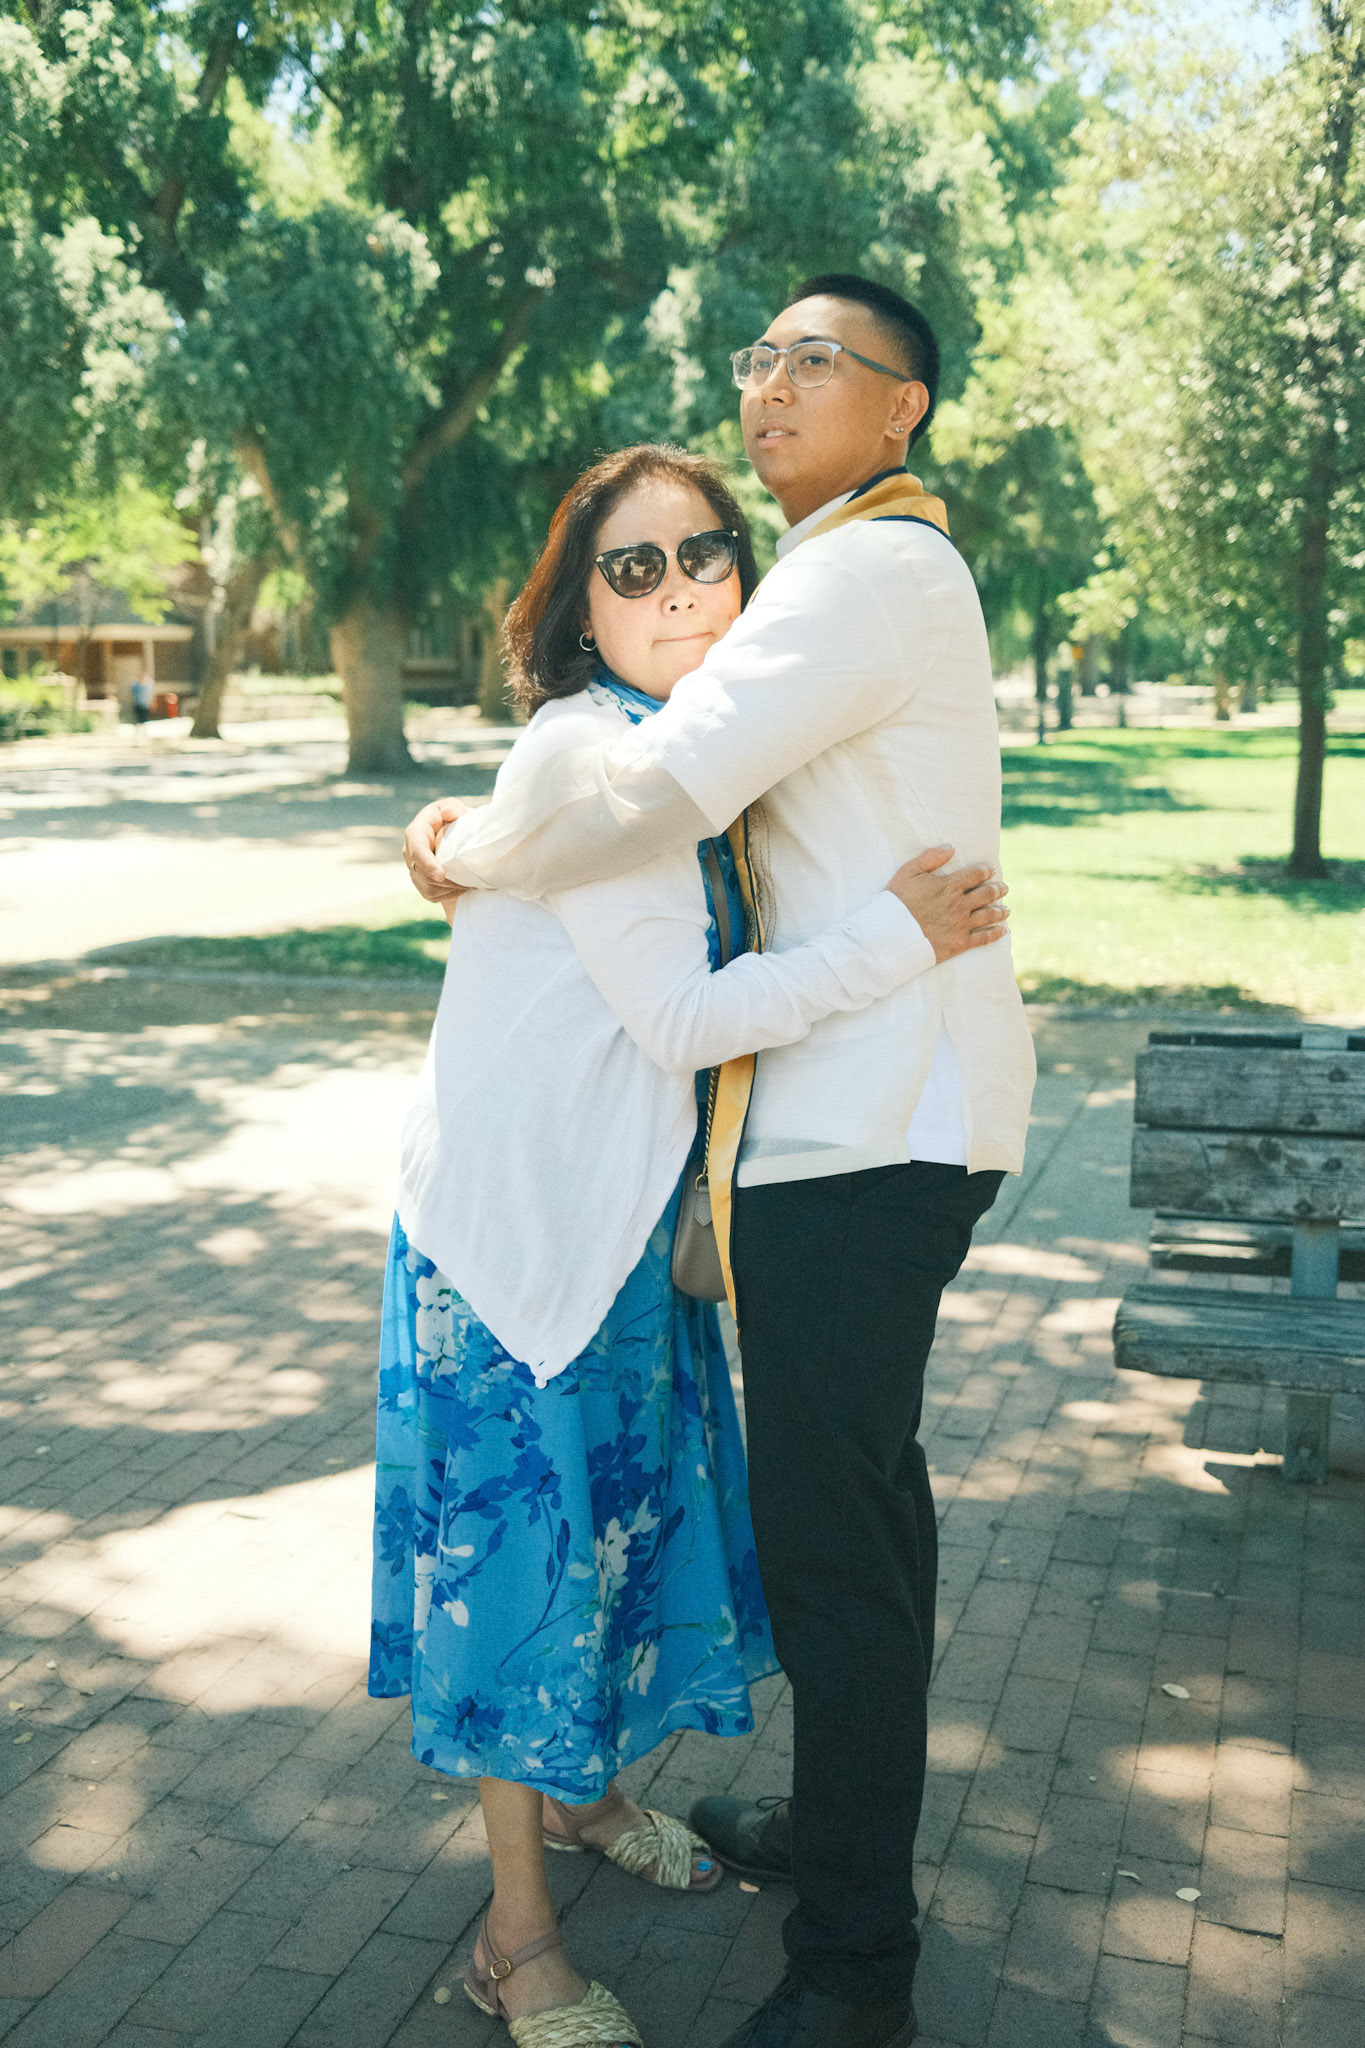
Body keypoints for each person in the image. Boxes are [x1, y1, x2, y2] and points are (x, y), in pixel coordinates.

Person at [401, 276, 1037, 2048]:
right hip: (841, 1128)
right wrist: (483, 828)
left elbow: (646, 788)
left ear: (901, 407)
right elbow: (626, 789)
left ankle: (851, 1968)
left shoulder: (860, 571)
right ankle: (836, 1849)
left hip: (865, 1132)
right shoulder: (845, 569)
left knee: (836, 1554)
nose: (771, 384)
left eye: (815, 360)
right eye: (757, 357)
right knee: (860, 1527)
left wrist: (456, 839)